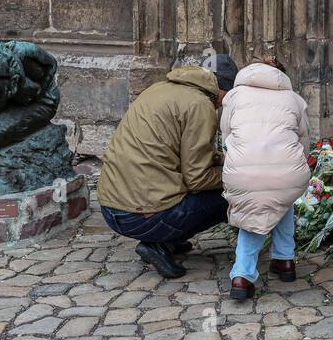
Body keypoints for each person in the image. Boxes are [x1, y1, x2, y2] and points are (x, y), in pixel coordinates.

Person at [98, 60, 235, 280]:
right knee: (229, 196)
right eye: (226, 99)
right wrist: (237, 176)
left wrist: (221, 159)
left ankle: (167, 239)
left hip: (110, 209)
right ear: (222, 90)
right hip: (141, 216)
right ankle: (161, 243)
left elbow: (179, 151)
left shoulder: (159, 88)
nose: (222, 106)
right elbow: (197, 179)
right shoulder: (200, 105)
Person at [220, 58, 312, 301]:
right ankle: (285, 260)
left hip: (242, 169)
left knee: (258, 203)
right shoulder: (294, 99)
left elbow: (226, 135)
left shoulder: (234, 96)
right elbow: (303, 139)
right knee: (278, 189)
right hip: (288, 170)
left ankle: (242, 274)